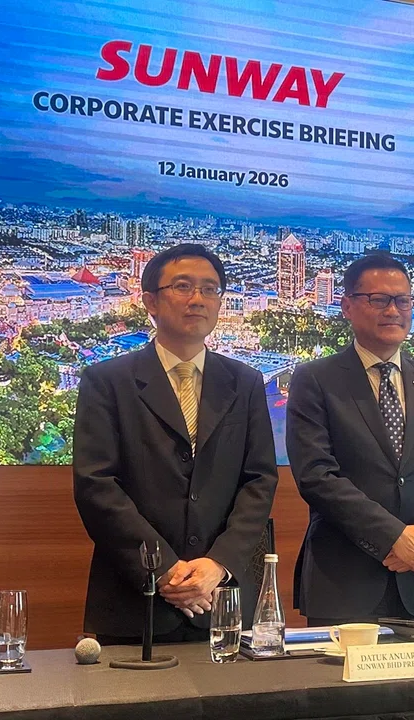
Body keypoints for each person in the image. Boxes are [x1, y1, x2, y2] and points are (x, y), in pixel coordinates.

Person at [73, 243, 278, 644]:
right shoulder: (107, 381)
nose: (197, 299)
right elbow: (96, 485)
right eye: (183, 286)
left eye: (210, 289)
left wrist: (217, 565)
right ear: (150, 300)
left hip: (223, 599)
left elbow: (259, 481)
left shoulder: (246, 382)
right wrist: (165, 569)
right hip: (136, 600)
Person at [286, 254, 414, 626]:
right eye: (378, 299)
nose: (393, 310)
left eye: (402, 300)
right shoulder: (316, 380)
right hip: (345, 584)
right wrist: (393, 536)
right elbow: (316, 477)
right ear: (347, 306)